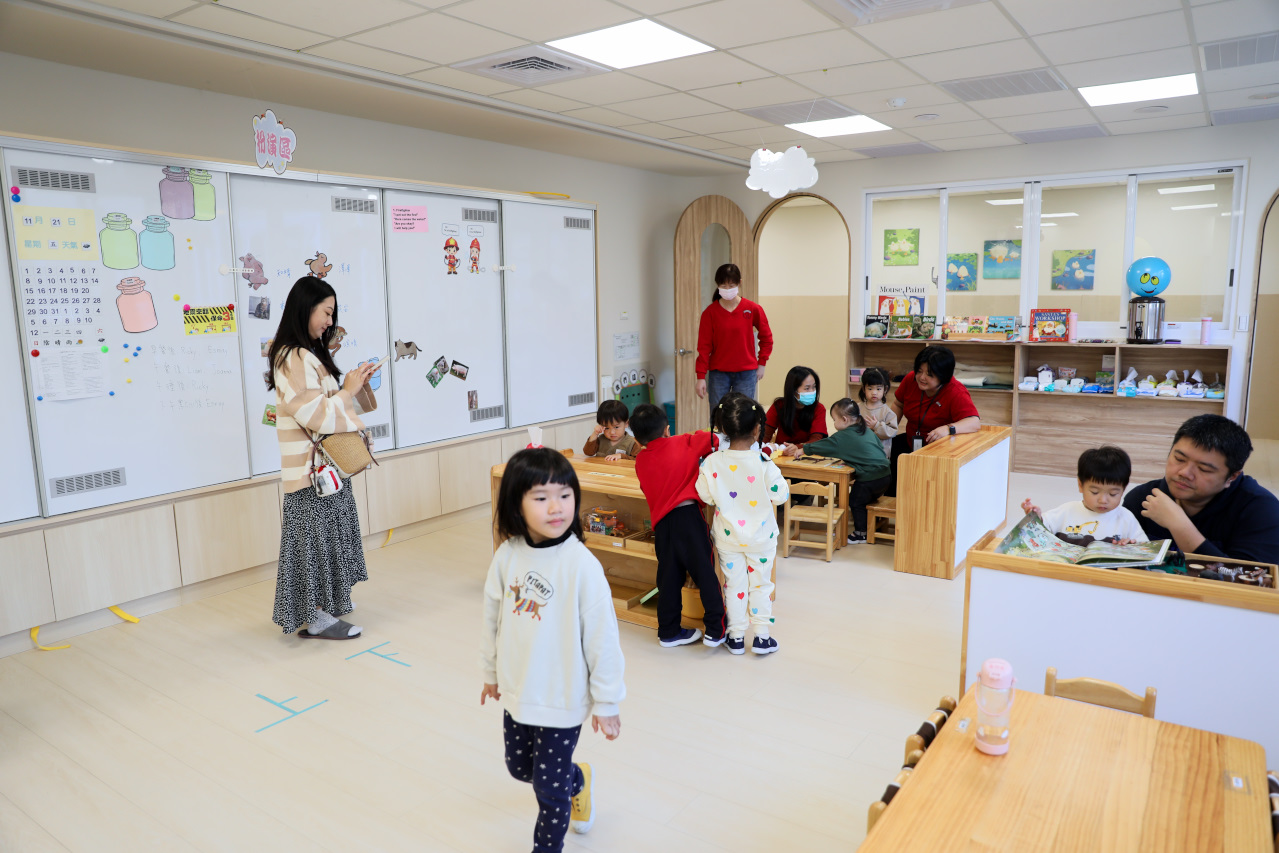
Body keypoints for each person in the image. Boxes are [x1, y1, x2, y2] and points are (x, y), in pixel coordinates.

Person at [481, 448, 626, 852]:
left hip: (562, 695)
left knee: (548, 788)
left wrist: (608, 700)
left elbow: (603, 638)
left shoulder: (581, 565)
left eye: (565, 495)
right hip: (518, 689)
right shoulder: (507, 556)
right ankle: (577, 779)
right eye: (541, 497)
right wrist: (490, 673)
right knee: (519, 768)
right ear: (516, 503)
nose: (556, 507)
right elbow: (491, 618)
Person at [266, 276, 379, 639]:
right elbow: (316, 415)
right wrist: (347, 391)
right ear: (305, 308)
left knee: (327, 539)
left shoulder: (308, 354)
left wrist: (353, 385)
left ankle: (326, 609)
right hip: (311, 473)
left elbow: (332, 405)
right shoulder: (292, 356)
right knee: (314, 545)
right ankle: (317, 618)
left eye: (332, 313)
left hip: (325, 471)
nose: (329, 321)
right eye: (326, 312)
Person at [694, 393, 789, 655]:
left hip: (728, 537)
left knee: (733, 585)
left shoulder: (712, 462)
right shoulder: (763, 463)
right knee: (761, 584)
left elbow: (704, 495)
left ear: (722, 428)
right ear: (758, 429)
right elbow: (780, 495)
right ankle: (761, 637)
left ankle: (735, 637)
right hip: (761, 538)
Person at [630, 403, 728, 648]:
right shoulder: (683, 442)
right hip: (689, 520)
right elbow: (716, 439)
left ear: (638, 438)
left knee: (668, 579)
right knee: (705, 573)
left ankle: (669, 631)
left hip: (662, 525)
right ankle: (716, 629)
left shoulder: (640, 460)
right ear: (666, 429)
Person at [1123, 414, 1279, 562]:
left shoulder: (1262, 511)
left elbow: (1249, 584)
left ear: (1232, 477)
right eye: (1179, 459)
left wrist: (1180, 526)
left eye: (1204, 469)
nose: (1185, 473)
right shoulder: (1142, 499)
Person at [888, 346, 980, 490]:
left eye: (930, 374)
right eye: (919, 371)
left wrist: (948, 429)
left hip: (938, 451)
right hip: (912, 441)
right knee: (887, 455)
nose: (922, 377)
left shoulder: (956, 391)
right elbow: (898, 404)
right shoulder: (910, 380)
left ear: (943, 376)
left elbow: (974, 422)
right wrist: (887, 430)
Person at [803, 398, 891, 545]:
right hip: (886, 475)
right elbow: (877, 449)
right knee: (863, 499)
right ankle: (868, 526)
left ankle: (860, 533)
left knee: (855, 501)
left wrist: (804, 449)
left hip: (870, 478)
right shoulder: (866, 430)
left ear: (844, 419)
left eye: (834, 419)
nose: (834, 424)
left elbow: (824, 445)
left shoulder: (842, 436)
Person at [1021, 446, 1147, 546]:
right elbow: (1042, 530)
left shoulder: (1126, 519)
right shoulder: (1067, 511)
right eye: (1095, 492)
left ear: (1123, 489)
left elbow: (1146, 550)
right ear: (1080, 485)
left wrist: (1130, 546)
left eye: (1113, 494)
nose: (1103, 500)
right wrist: (1035, 517)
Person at [694, 263, 773, 415]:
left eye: (731, 285)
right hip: (718, 373)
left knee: (743, 415)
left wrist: (762, 362)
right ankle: (718, 440)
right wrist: (701, 377)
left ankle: (742, 440)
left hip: (746, 373)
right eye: (723, 285)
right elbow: (704, 347)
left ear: (739, 283)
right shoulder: (710, 313)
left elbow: (767, 338)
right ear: (717, 285)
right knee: (718, 415)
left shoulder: (753, 309)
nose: (727, 289)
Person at [765, 366, 829, 456]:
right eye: (807, 388)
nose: (812, 391)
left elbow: (817, 440)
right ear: (793, 390)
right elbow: (765, 434)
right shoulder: (779, 405)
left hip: (806, 455)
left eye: (814, 387)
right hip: (781, 454)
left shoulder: (819, 408)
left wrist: (798, 447)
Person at [858, 367, 898, 457]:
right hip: (860, 453)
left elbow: (892, 432)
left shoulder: (887, 412)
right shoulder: (858, 408)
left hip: (879, 456)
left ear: (885, 389)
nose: (874, 392)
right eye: (870, 388)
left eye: (878, 389)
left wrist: (876, 426)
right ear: (864, 389)